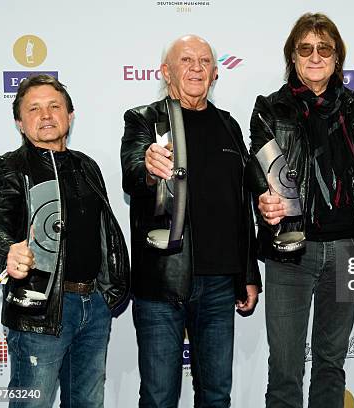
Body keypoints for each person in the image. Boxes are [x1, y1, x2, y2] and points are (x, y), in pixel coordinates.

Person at [247, 13, 354, 408]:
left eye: (324, 48)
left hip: (346, 251)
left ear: (337, 58)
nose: (314, 56)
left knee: (331, 364)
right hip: (291, 251)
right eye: (305, 48)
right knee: (286, 367)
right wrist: (262, 199)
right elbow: (256, 171)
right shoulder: (270, 108)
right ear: (293, 56)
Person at [120, 34, 261, 408]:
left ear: (215, 74)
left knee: (216, 396)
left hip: (219, 284)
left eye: (204, 62)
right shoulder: (143, 120)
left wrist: (248, 274)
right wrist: (149, 169)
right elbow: (133, 175)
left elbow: (241, 206)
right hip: (162, 284)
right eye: (186, 60)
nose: (196, 68)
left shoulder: (229, 126)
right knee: (159, 397)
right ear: (167, 72)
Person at [0, 74, 130, 407]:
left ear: (70, 116)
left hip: (94, 306)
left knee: (87, 403)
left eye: (54, 106)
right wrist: (6, 251)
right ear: (20, 122)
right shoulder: (9, 167)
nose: (46, 115)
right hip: (39, 312)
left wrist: (107, 293)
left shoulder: (86, 165)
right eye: (34, 109)